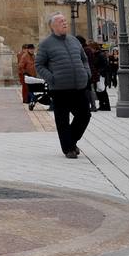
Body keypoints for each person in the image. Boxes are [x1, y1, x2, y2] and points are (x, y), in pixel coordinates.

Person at [36, 13, 93, 159]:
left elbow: (84, 59)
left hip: (79, 86)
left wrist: (86, 74)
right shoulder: (46, 44)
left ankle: (70, 142)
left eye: (65, 21)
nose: (65, 23)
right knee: (62, 120)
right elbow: (39, 65)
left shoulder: (74, 40)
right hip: (59, 89)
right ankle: (69, 149)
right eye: (61, 21)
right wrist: (52, 79)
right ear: (53, 25)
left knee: (85, 115)